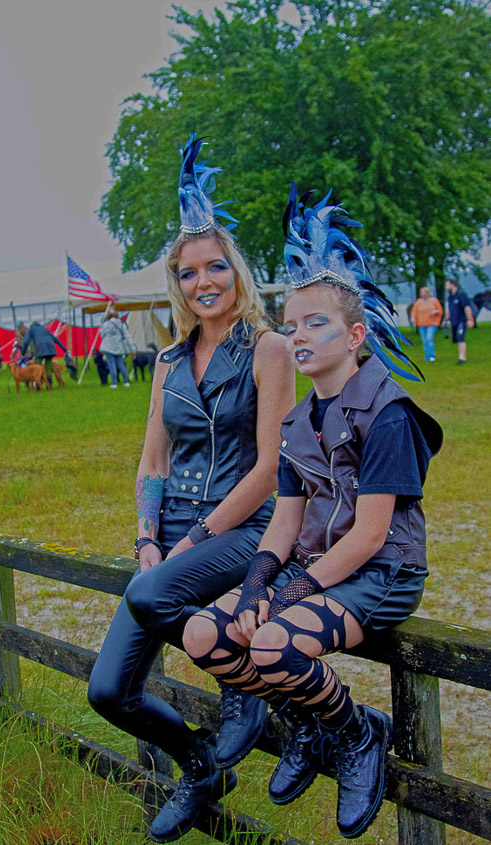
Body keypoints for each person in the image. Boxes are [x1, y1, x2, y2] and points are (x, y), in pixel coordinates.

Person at [183, 184, 443, 841]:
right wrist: (255, 585)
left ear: (356, 335)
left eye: (316, 324)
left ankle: (357, 735)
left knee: (271, 641)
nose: (297, 335)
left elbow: (371, 534)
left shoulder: (388, 414)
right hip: (318, 569)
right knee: (204, 633)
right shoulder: (298, 421)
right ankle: (307, 723)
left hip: (381, 573)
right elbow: (286, 521)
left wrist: (288, 593)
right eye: (291, 324)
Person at [87, 135, 295, 843]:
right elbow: (152, 460)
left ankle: (247, 684)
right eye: (188, 272)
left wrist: (195, 538)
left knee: (152, 595)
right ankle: (201, 766)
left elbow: (269, 466)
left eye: (215, 267)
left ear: (236, 272)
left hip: (241, 529)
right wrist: (148, 538)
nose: (204, 281)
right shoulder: (168, 360)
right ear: (177, 284)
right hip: (170, 534)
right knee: (107, 691)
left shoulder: (268, 348)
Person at [20, 321, 67, 385]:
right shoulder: (44, 330)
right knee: (48, 368)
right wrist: (65, 350)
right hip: (51, 350)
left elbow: (26, 341)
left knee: (38, 368)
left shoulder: (31, 330)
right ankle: (49, 384)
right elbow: (56, 339)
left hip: (40, 350)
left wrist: (23, 352)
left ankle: (38, 386)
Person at [98, 309, 136, 387]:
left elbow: (102, 335)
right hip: (119, 346)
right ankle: (126, 381)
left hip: (108, 347)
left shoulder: (105, 324)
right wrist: (132, 348)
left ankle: (114, 383)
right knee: (121, 364)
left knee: (112, 365)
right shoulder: (121, 323)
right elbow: (126, 336)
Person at [443, 278, 475, 365]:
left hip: (462, 321)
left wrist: (470, 319)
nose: (445, 287)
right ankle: (460, 356)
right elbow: (449, 310)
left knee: (461, 339)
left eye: (446, 285)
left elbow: (467, 307)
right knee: (457, 339)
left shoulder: (461, 294)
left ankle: (462, 358)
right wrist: (445, 320)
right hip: (454, 321)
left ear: (452, 285)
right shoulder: (450, 297)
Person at [410, 286, 443, 362]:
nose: (421, 294)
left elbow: (440, 311)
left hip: (432, 323)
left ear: (427, 293)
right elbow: (414, 311)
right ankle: (427, 356)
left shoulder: (434, 300)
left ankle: (432, 355)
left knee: (429, 339)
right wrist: (413, 318)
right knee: (424, 341)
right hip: (421, 324)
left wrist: (435, 311)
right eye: (421, 292)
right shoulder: (419, 301)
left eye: (423, 292)